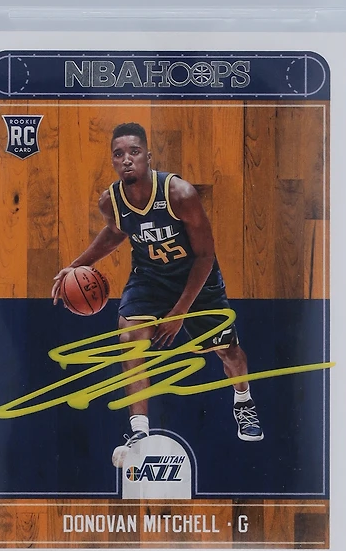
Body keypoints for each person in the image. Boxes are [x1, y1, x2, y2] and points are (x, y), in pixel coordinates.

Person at [51, 122, 263, 467]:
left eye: (134, 152)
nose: (127, 159)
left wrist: (179, 313)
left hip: (196, 278)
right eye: (118, 154)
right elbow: (116, 231)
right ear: (113, 161)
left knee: (229, 352)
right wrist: (75, 266)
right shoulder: (111, 201)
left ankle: (244, 401)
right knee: (129, 337)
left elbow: (205, 256)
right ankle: (139, 432)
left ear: (148, 156)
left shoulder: (180, 194)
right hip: (149, 278)